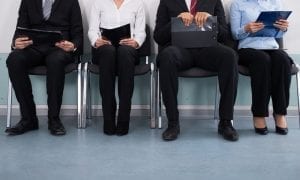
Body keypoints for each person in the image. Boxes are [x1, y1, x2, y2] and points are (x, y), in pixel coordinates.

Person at [154, 0, 239, 141]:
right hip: (180, 51)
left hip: (207, 50)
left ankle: (225, 122)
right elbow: (158, 37)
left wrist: (211, 21)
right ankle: (173, 123)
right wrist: (176, 21)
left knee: (229, 56)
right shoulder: (167, 1)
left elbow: (225, 35)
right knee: (167, 57)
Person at [5, 0, 83, 136]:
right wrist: (15, 43)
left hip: (59, 48)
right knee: (14, 59)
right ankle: (28, 119)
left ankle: (54, 120)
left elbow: (78, 33)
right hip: (33, 47)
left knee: (55, 61)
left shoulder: (71, 1)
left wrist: (73, 46)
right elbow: (20, 30)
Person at [230, 0, 291, 135]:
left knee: (283, 60)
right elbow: (234, 34)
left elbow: (280, 34)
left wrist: (283, 28)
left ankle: (280, 113)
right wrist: (246, 29)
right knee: (262, 60)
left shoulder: (275, 3)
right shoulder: (238, 4)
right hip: (248, 48)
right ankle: (259, 114)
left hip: (271, 46)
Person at [88, 0, 146, 136]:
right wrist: (97, 40)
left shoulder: (137, 4)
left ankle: (123, 120)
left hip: (128, 50)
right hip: (104, 50)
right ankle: (108, 119)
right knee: (108, 51)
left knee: (124, 51)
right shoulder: (98, 3)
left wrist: (136, 42)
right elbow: (92, 30)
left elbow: (141, 31)